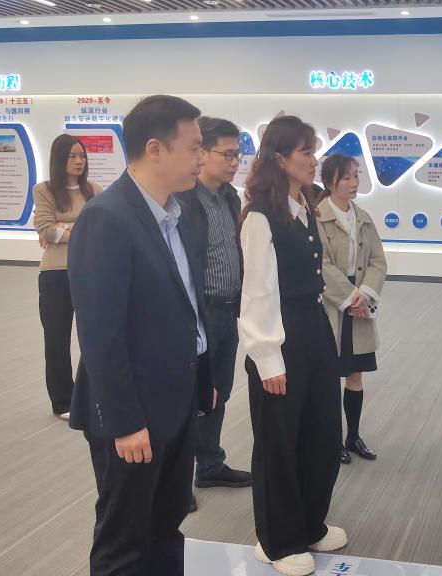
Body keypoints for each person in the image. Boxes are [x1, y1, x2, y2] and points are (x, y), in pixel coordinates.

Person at [68, 94, 217, 576]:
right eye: (194, 147)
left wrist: (203, 378)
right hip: (132, 413)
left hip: (176, 402)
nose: (202, 158)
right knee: (125, 540)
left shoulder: (180, 212)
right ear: (155, 148)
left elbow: (189, 305)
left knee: (166, 525)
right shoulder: (106, 218)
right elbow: (99, 333)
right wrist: (125, 422)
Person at [239, 115, 346, 576]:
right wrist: (267, 358)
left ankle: (309, 523)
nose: (314, 160)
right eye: (306, 152)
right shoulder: (260, 216)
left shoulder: (306, 206)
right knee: (279, 441)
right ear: (280, 158)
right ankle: (278, 540)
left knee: (322, 432)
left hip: (314, 326)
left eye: (314, 150)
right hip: (278, 334)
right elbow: (257, 292)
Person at [176, 117, 253, 514]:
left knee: (218, 390)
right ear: (202, 153)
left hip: (228, 308)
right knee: (188, 398)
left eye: (238, 154)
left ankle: (210, 465)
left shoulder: (231, 198)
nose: (235, 162)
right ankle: (177, 479)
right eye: (228, 154)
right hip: (199, 311)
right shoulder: (184, 201)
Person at [315, 153, 387, 464]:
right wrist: (349, 297)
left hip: (359, 303)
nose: (354, 182)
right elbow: (320, 264)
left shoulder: (364, 218)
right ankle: (331, 440)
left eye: (356, 176)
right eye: (346, 177)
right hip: (331, 303)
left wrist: (364, 295)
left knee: (355, 373)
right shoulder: (316, 217)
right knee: (330, 374)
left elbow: (377, 261)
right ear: (330, 181)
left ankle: (353, 436)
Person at [32, 134, 102, 420]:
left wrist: (64, 228)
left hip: (90, 270)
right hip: (55, 274)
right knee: (57, 340)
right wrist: (78, 229)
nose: (78, 161)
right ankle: (62, 401)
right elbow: (45, 228)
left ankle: (94, 395)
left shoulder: (94, 190)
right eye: (72, 156)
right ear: (59, 160)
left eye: (82, 156)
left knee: (95, 337)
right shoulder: (44, 190)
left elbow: (101, 227)